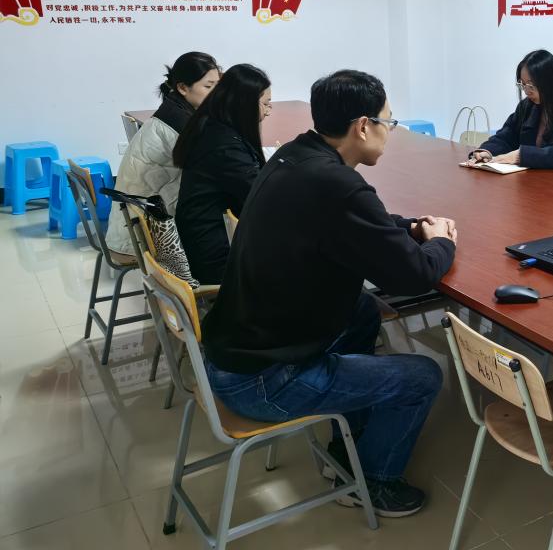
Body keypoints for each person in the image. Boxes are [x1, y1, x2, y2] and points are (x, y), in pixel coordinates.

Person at [201, 69, 457, 518]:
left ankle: (349, 445)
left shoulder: (295, 156)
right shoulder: (339, 186)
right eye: (389, 122)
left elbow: (358, 222)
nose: (391, 132)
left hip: (234, 353)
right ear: (363, 126)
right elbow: (414, 276)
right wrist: (441, 243)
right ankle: (372, 481)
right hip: (263, 382)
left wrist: (409, 228)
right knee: (422, 377)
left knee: (362, 310)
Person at [105, 52, 219, 256]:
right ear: (182, 88)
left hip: (132, 226)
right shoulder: (180, 124)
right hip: (146, 237)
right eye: (208, 87)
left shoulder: (173, 111)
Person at [172, 64, 271, 284]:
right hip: (216, 259)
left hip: (201, 241)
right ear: (245, 104)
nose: (268, 111)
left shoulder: (211, 126)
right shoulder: (225, 146)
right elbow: (260, 199)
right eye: (266, 104)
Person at [468, 49, 553, 174]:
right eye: (522, 84)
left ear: (549, 82)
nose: (526, 91)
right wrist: (487, 151)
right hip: (532, 181)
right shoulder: (527, 106)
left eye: (531, 85)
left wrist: (521, 156)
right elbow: (507, 136)